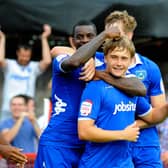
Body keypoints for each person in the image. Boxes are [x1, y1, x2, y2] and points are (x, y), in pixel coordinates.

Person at [34, 20, 122, 168]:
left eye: (90, 36)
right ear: (72, 40)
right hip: (59, 142)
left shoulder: (105, 61)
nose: (85, 40)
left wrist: (95, 66)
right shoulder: (62, 59)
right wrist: (104, 35)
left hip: (89, 145)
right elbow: (71, 59)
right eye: (80, 37)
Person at [77, 33, 168, 168]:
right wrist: (122, 134)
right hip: (96, 164)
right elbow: (84, 131)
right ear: (105, 58)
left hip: (124, 163)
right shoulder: (95, 88)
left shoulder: (132, 90)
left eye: (124, 58)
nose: (119, 63)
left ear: (130, 60)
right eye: (114, 57)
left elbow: (152, 116)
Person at [103, 10, 166, 167]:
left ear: (130, 34)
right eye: (107, 33)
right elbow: (65, 55)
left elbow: (159, 112)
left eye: (115, 33)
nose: (110, 38)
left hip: (145, 144)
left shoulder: (150, 68)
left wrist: (131, 126)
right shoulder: (98, 61)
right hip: (112, 144)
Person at [0, 24, 52, 120]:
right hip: (8, 109)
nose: (24, 58)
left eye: (27, 56)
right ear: (17, 53)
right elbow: (0, 60)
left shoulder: (33, 67)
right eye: (22, 56)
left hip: (26, 110)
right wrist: (2, 38)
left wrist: (44, 38)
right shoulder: (10, 65)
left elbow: (47, 61)